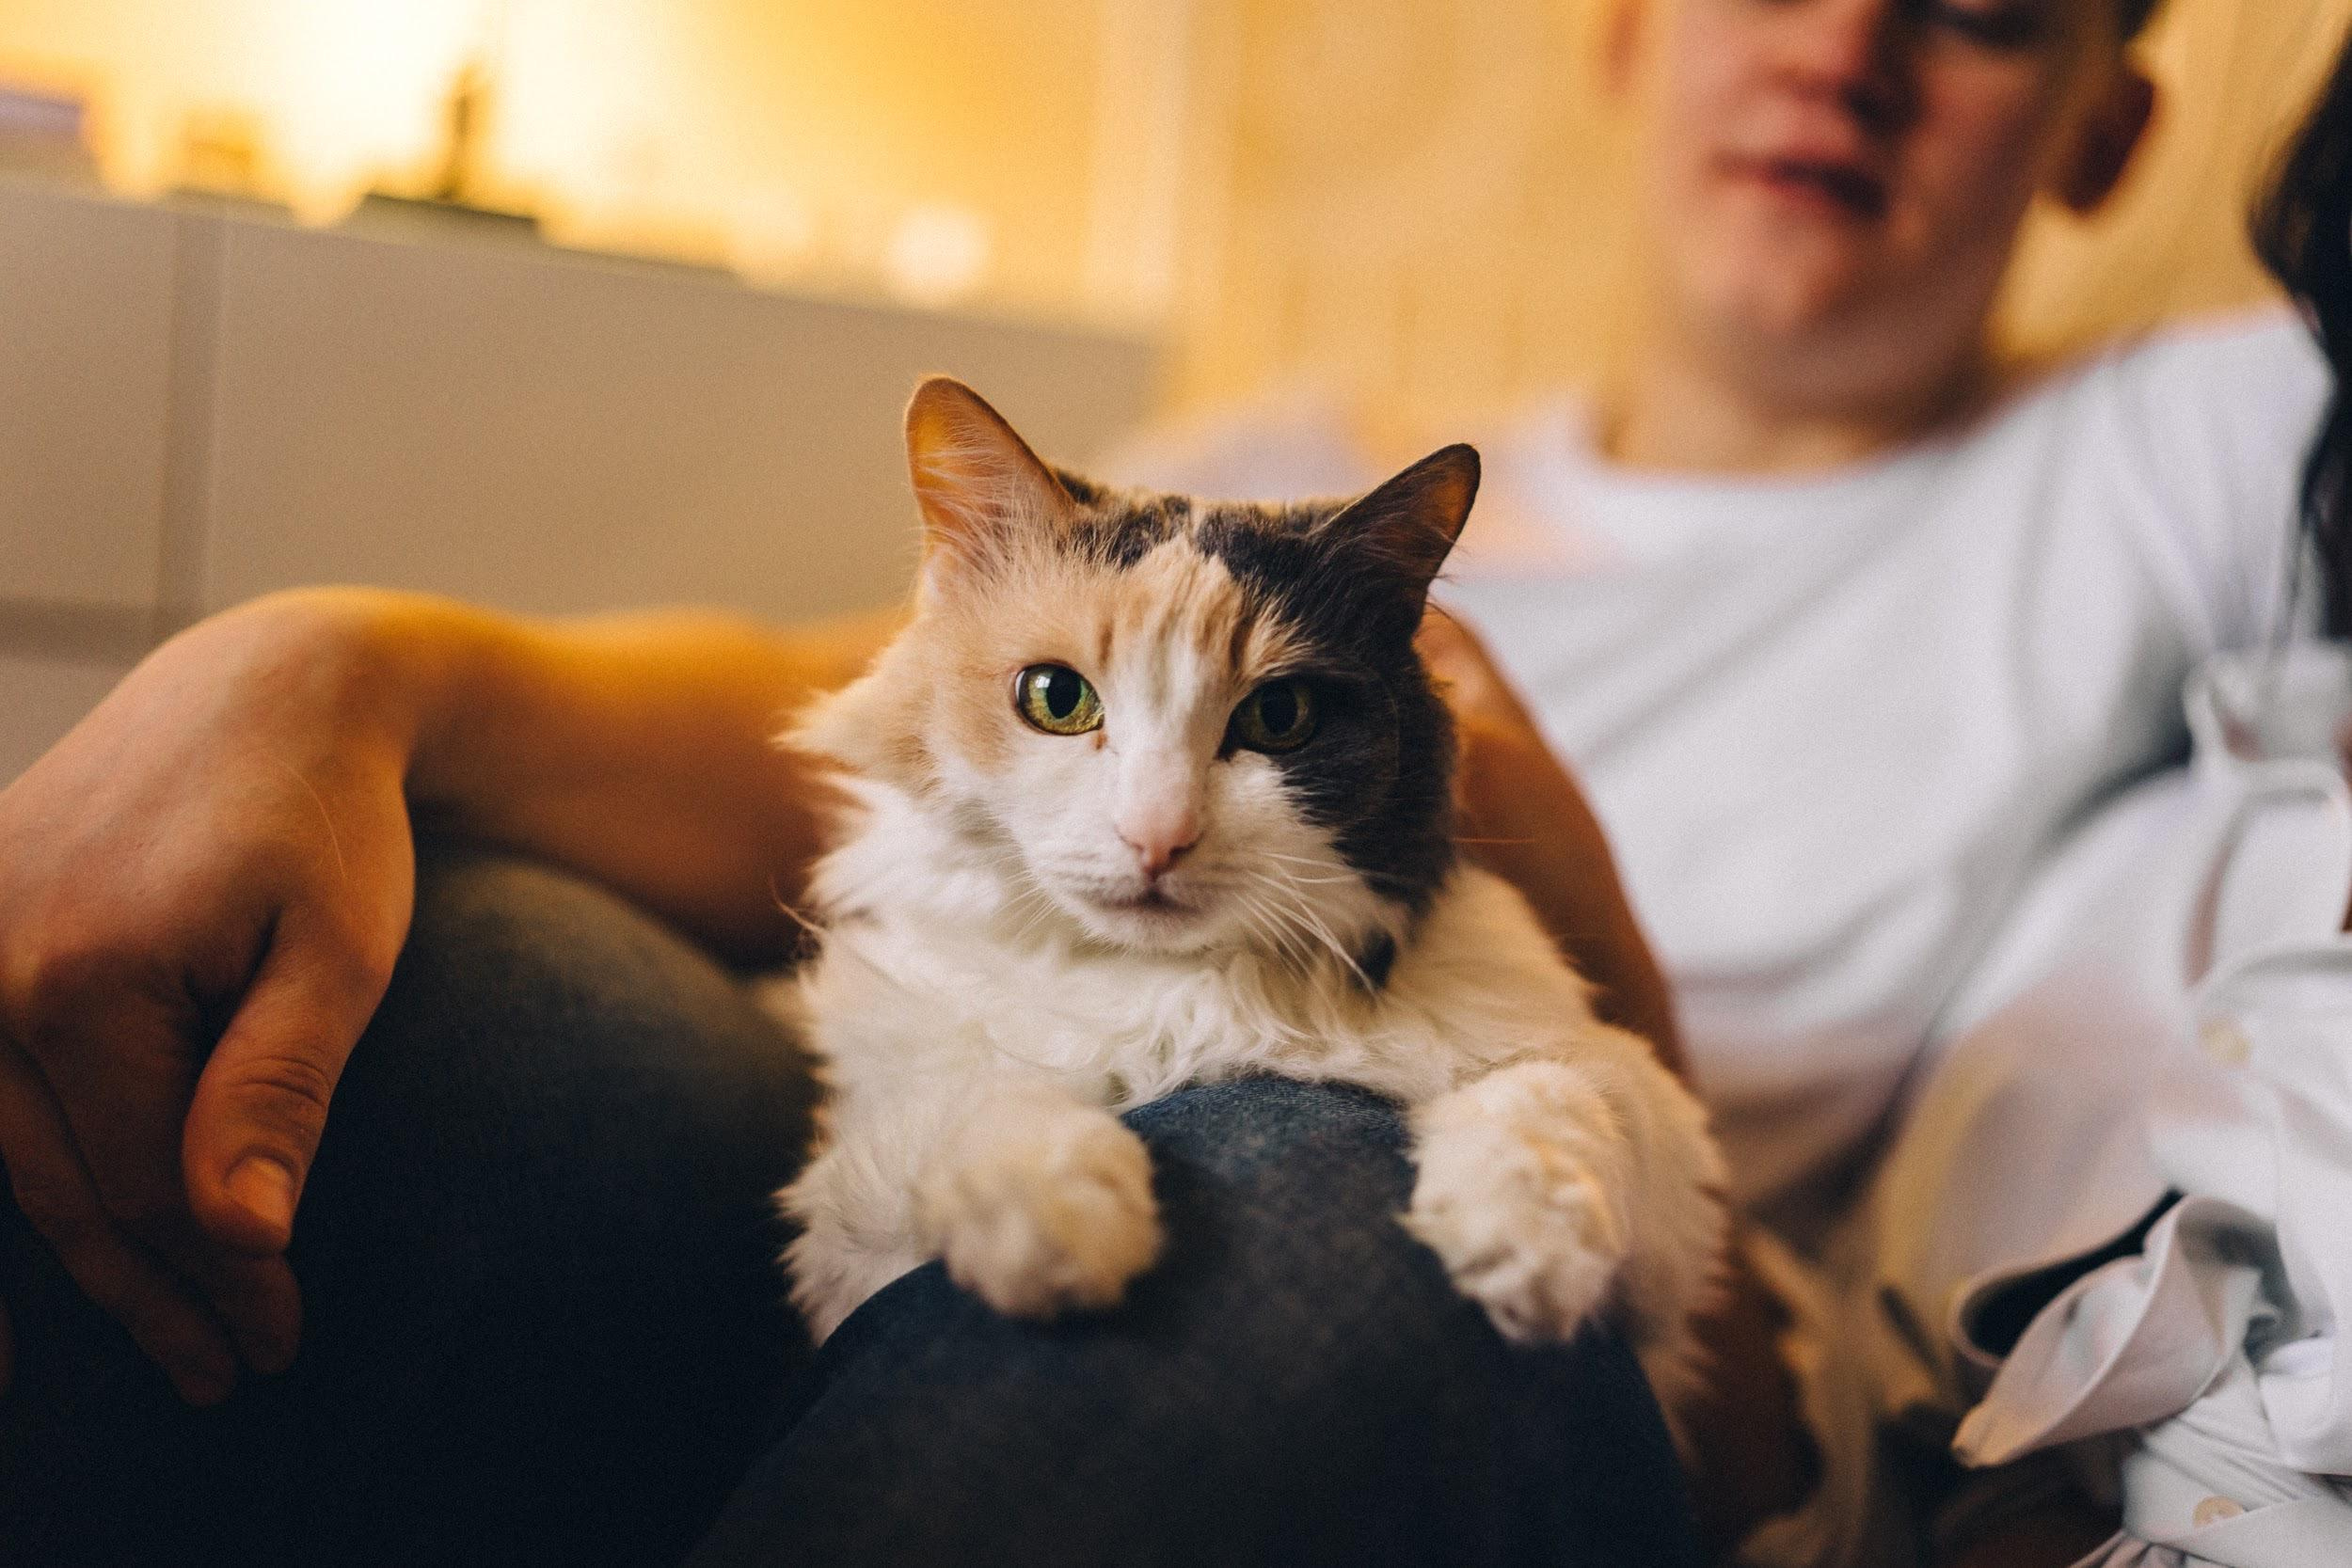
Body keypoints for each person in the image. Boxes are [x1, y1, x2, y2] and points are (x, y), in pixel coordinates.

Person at [0, 0, 2328, 1563]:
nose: (1843, 45)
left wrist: (1555, 911)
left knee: (1283, 1189)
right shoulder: (1278, 472)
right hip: (989, 1078)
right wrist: (332, 674)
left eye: (1983, 2)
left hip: (1518, 1224)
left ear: (2107, 125)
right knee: (481, 995)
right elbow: (847, 707)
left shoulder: (2167, 459)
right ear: (1623, 23)